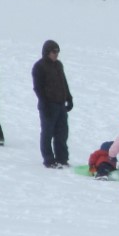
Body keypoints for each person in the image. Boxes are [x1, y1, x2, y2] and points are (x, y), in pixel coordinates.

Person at [32, 40, 73, 168]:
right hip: (48, 106)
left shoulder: (58, 65)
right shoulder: (39, 66)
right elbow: (38, 88)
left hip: (60, 105)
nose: (56, 54)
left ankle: (62, 159)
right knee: (47, 133)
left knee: (62, 134)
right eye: (54, 52)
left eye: (57, 51)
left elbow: (63, 82)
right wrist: (44, 104)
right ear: (47, 52)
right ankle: (49, 160)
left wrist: (69, 98)